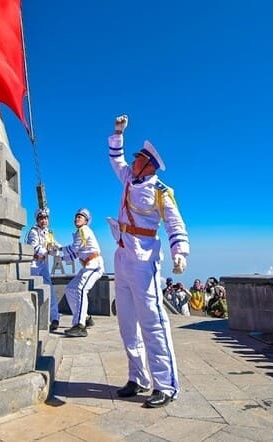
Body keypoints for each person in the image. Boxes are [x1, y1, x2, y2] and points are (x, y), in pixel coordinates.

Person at [107, 114, 190, 408]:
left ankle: (165, 385)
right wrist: (118, 133)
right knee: (127, 322)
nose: (133, 160)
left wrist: (180, 252)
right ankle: (138, 377)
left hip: (145, 258)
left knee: (153, 322)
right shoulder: (129, 177)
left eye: (138, 157)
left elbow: (175, 224)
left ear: (149, 163)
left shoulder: (161, 192)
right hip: (122, 255)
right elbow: (116, 160)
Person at [60, 207, 104, 338]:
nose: (78, 218)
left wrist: (57, 248)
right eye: (77, 216)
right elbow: (75, 253)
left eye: (81, 216)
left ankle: (80, 326)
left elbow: (73, 248)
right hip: (87, 266)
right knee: (70, 289)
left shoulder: (83, 230)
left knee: (80, 289)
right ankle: (85, 318)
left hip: (94, 265)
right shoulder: (80, 233)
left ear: (86, 221)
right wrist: (58, 255)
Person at [27, 207, 61, 331]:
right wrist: (49, 250)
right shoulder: (33, 232)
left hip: (44, 264)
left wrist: (60, 249)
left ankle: (55, 318)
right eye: (41, 218)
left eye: (45, 218)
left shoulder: (48, 233)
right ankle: (32, 318)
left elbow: (54, 244)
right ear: (37, 220)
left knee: (49, 289)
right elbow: (35, 248)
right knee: (33, 290)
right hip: (34, 264)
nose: (44, 220)